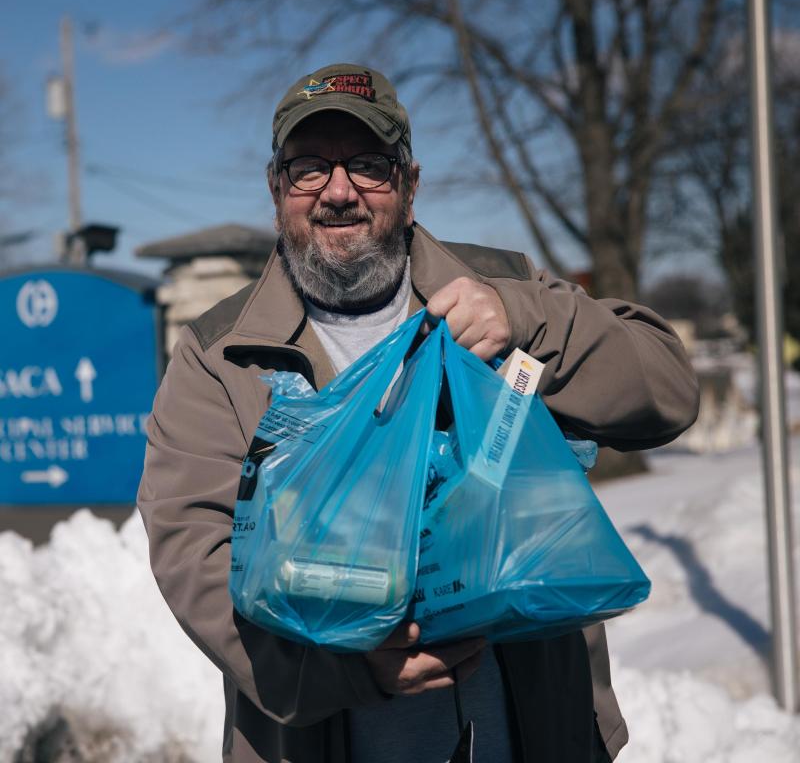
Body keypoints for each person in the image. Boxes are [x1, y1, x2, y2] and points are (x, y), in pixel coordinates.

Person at [138, 63, 699, 763]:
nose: (338, 191)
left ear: (410, 184)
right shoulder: (223, 356)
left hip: (536, 734)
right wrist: (342, 670)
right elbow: (194, 552)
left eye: (369, 166)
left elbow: (668, 392)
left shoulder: (504, 286)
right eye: (309, 167)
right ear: (276, 187)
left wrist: (525, 318)